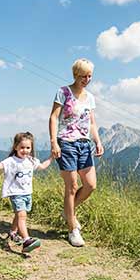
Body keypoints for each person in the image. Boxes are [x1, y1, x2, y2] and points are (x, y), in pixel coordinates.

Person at [49, 58, 104, 247]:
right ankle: (72, 229)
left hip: (84, 144)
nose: (87, 80)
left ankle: (68, 212)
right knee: (71, 187)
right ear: (75, 75)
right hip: (66, 143)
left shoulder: (90, 97)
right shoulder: (63, 92)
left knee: (90, 185)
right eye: (83, 76)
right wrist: (54, 142)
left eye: (89, 76)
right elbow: (54, 117)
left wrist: (97, 141)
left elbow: (91, 123)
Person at [0, 132, 52, 254]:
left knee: (19, 215)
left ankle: (13, 232)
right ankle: (26, 240)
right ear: (15, 147)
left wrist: (51, 157)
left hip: (27, 193)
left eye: (28, 147)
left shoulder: (31, 160)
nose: (25, 150)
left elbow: (42, 166)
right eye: (22, 147)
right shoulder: (11, 161)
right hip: (16, 193)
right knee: (22, 216)